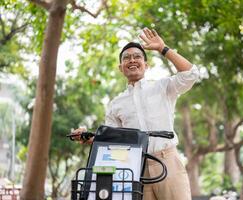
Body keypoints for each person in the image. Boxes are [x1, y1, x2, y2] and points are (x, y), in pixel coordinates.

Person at [73, 27, 200, 200]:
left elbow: (191, 74)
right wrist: (87, 137)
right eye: (126, 58)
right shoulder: (115, 104)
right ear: (121, 67)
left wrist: (163, 48)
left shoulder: (162, 87)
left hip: (168, 162)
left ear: (146, 65)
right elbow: (111, 142)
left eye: (137, 56)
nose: (132, 60)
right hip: (134, 170)